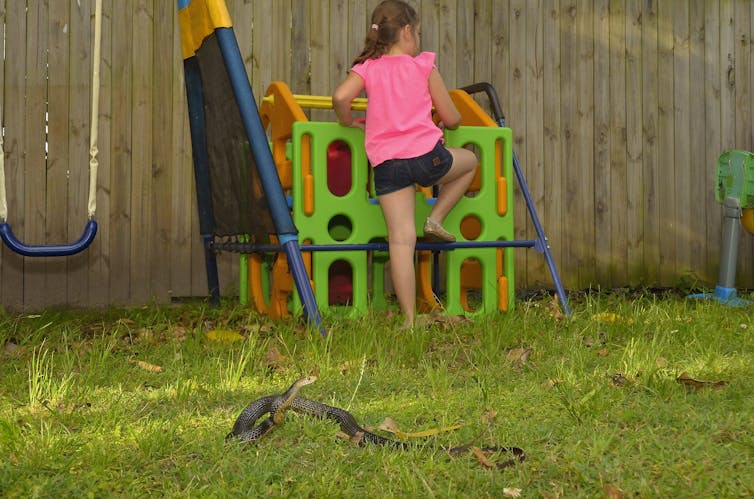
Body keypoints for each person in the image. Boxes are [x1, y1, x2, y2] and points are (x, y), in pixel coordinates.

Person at [333, 0, 477, 328]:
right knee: (470, 163)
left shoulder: (368, 67)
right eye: (419, 32)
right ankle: (436, 218)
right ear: (407, 31)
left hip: (387, 165)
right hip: (427, 158)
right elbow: (453, 119)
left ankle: (409, 321)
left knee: (400, 241)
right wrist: (446, 119)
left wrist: (348, 121)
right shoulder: (423, 65)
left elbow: (341, 97)